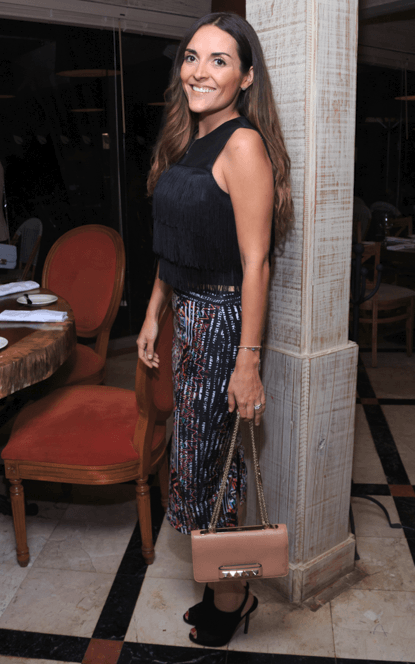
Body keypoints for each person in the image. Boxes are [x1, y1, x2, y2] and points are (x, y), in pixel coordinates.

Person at [136, 11, 293, 647]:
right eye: (192, 57)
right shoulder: (190, 139)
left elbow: (257, 263)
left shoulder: (242, 145)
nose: (199, 71)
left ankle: (233, 599)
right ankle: (224, 587)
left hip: (225, 325)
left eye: (220, 60)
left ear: (246, 77)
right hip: (191, 319)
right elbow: (176, 241)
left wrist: (247, 363)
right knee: (201, 463)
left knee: (215, 471)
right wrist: (154, 311)